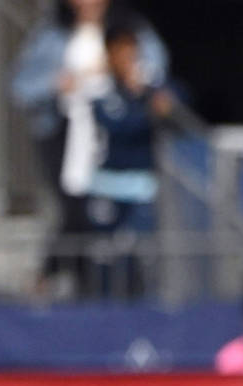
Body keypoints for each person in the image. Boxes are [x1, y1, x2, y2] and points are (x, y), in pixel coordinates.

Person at [10, 0, 166, 296]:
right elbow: (21, 86)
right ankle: (66, 279)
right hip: (69, 135)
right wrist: (55, 84)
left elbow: (155, 69)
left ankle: (90, 284)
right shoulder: (52, 34)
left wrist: (133, 80)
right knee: (76, 209)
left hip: (115, 137)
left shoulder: (131, 30)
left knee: (114, 224)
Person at [84, 20, 176, 300]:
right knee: (106, 256)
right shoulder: (99, 88)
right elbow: (117, 125)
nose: (127, 58)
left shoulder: (149, 85)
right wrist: (147, 108)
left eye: (131, 51)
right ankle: (103, 309)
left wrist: (151, 98)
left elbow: (176, 102)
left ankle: (143, 309)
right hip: (107, 186)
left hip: (141, 186)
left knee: (144, 255)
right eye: (120, 50)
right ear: (109, 54)